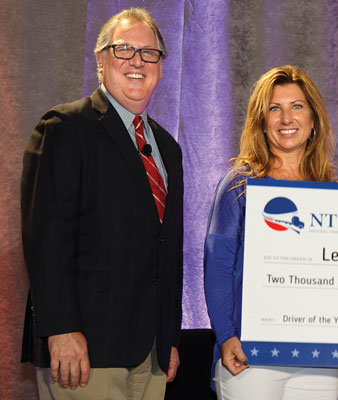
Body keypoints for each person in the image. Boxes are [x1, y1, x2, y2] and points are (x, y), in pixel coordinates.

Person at [20, 7, 183, 399]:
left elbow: (167, 249)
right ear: (100, 59)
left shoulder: (168, 148)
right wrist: (60, 329)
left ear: (160, 66)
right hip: (85, 349)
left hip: (151, 354)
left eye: (149, 53)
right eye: (124, 49)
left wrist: (169, 337)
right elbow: (46, 240)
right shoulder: (65, 128)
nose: (137, 62)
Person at [204, 65, 338, 399]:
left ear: (313, 120)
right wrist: (226, 336)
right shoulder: (239, 184)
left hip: (318, 357)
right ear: (261, 122)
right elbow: (218, 266)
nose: (286, 118)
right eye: (274, 108)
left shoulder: (334, 192)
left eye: (297, 106)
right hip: (250, 354)